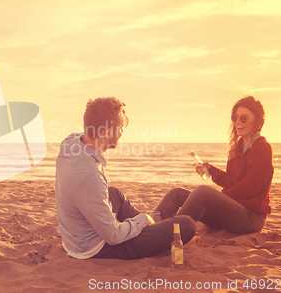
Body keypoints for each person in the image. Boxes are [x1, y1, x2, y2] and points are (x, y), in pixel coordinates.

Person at [55, 97, 196, 260]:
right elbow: (113, 236)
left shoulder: (70, 142)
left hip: (74, 235)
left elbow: (93, 124)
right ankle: (158, 231)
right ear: (107, 132)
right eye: (122, 126)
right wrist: (143, 219)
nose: (123, 131)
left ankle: (156, 230)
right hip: (95, 249)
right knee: (187, 225)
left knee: (114, 194)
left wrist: (111, 108)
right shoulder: (89, 176)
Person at [151, 96, 273, 234]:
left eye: (243, 118)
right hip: (232, 213)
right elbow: (231, 182)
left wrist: (220, 198)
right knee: (176, 193)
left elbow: (252, 186)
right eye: (235, 118)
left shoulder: (261, 146)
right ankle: (150, 226)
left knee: (203, 192)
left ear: (257, 121)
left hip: (251, 219)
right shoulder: (237, 147)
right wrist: (211, 170)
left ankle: (170, 234)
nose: (238, 122)